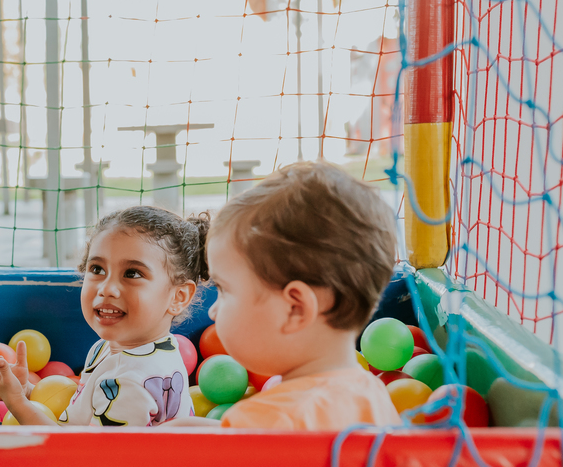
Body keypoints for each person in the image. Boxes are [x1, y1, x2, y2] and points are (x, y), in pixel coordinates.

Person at [168, 161, 401, 430]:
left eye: (223, 289)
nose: (212, 310)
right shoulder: (373, 395)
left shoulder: (264, 420)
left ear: (295, 309)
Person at [0, 206, 208, 426]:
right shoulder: (121, 348)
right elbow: (85, 410)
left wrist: (17, 402)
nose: (107, 288)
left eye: (132, 274)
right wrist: (28, 391)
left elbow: (76, 455)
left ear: (178, 297)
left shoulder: (129, 383)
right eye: (97, 269)